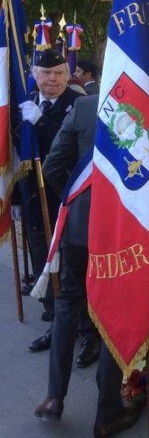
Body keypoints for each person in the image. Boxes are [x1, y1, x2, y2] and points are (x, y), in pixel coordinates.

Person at [34, 94, 141, 436]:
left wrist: (81, 202)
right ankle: (107, 413)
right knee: (113, 312)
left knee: (67, 303)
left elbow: (52, 167)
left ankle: (54, 397)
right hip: (124, 231)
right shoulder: (148, 106)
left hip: (79, 229)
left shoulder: (83, 106)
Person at [17, 48, 83, 351]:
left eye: (58, 73)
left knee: (69, 267)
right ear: (34, 75)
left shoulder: (78, 104)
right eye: (45, 73)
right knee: (44, 259)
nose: (52, 79)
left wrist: (42, 121)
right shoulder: (24, 101)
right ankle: (55, 322)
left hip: (64, 198)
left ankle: (84, 331)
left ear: (67, 76)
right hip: (33, 197)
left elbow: (73, 148)